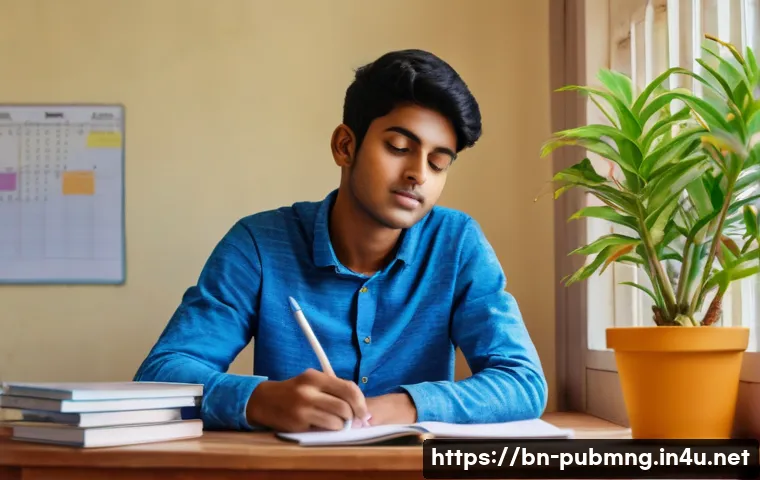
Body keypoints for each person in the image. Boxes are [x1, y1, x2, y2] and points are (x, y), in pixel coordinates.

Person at [134, 49, 548, 433]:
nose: (419, 174)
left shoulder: (456, 244)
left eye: (438, 163)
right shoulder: (259, 244)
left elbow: (523, 382)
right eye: (399, 147)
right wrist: (260, 400)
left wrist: (404, 406)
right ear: (345, 145)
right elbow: (161, 374)